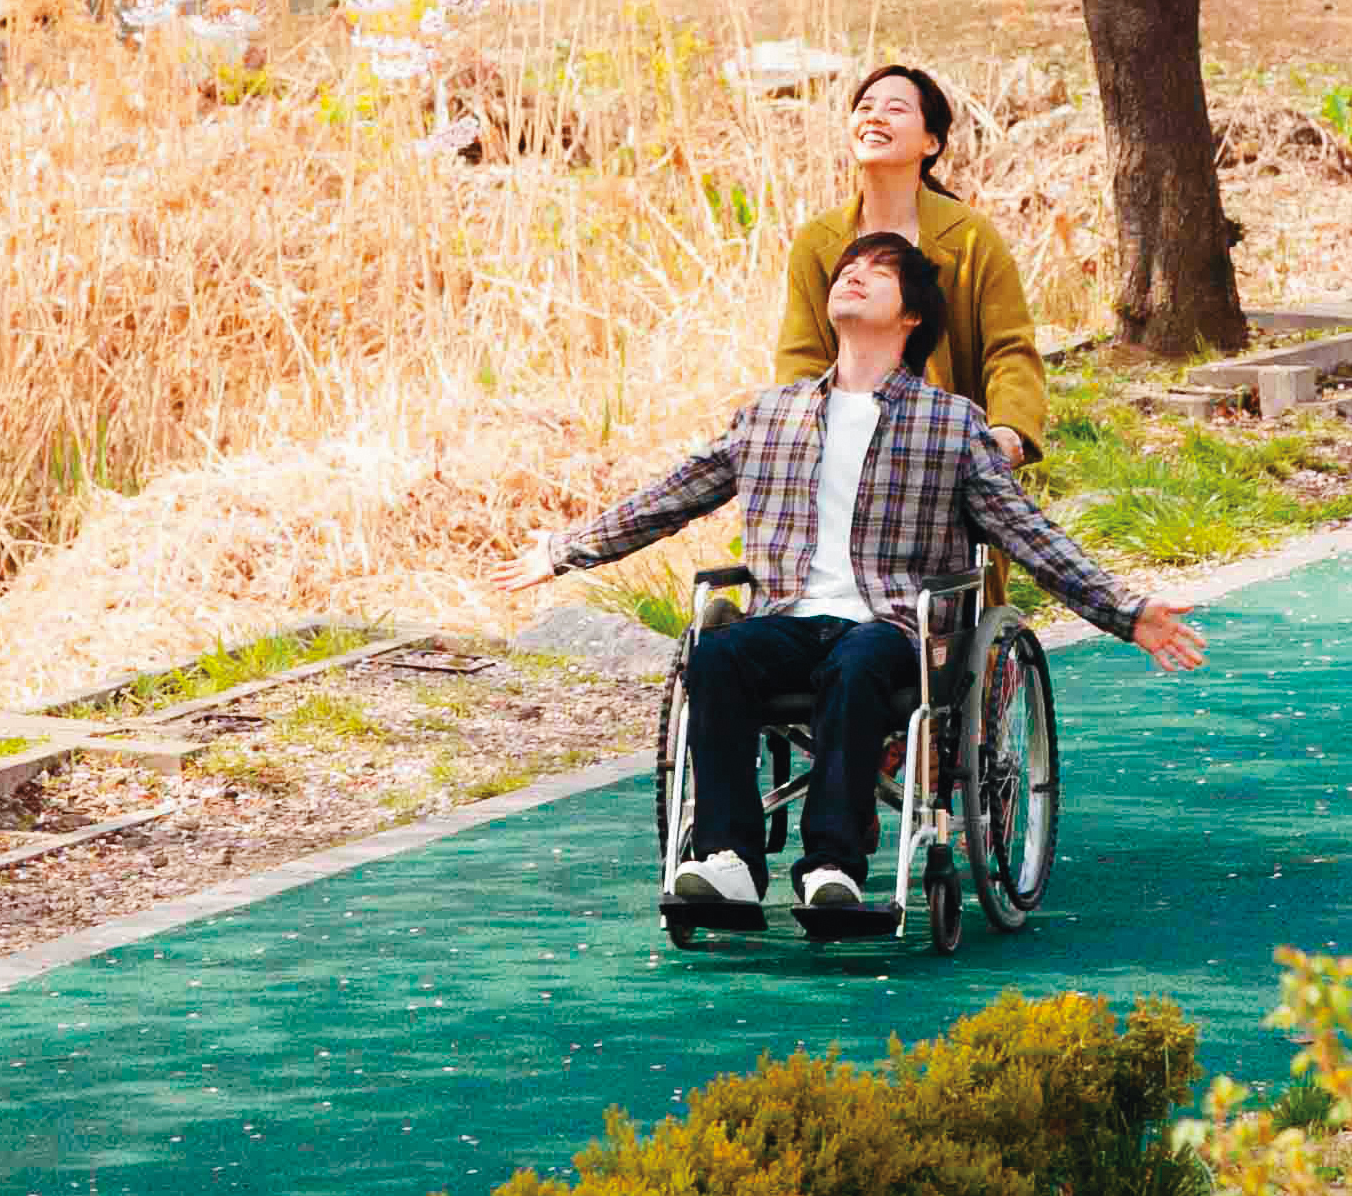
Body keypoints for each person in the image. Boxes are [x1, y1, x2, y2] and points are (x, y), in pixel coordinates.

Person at [497, 232, 1205, 913]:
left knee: (859, 659)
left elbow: (1027, 532)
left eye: (878, 269)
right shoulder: (770, 415)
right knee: (716, 656)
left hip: (892, 625)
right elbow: (670, 495)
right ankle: (726, 860)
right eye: (847, 267)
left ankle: (832, 863)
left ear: (912, 313)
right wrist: (566, 548)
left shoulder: (949, 423)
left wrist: (1124, 610)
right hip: (788, 619)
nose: (854, 274)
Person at [776, 63, 1049, 466]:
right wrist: (797, 434)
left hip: (949, 455)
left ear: (931, 143)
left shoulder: (971, 237)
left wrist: (1009, 430)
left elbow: (1010, 349)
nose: (875, 116)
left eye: (896, 109)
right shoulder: (817, 241)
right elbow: (802, 357)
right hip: (843, 454)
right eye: (865, 106)